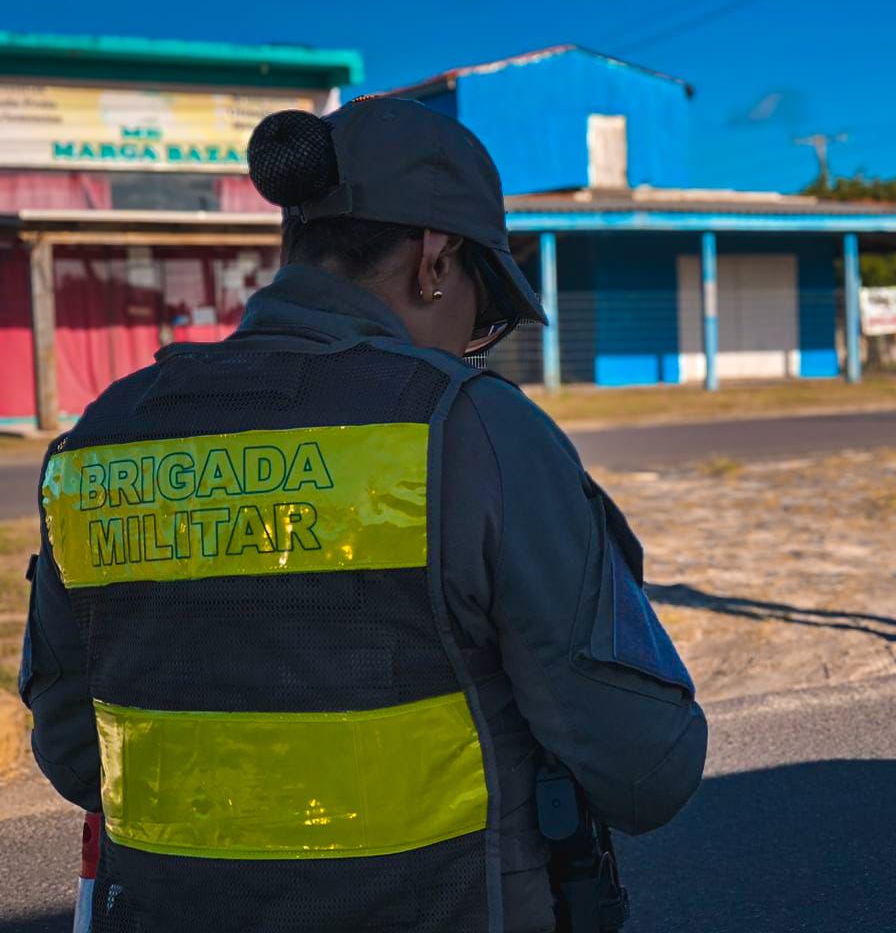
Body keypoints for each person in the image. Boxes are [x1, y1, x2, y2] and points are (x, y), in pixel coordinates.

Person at [19, 100, 707, 933]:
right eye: (484, 318)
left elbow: (72, 752)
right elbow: (648, 767)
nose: (471, 346)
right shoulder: (474, 430)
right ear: (435, 259)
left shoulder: (99, 442)